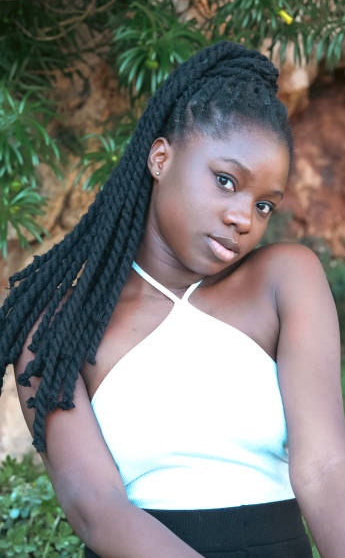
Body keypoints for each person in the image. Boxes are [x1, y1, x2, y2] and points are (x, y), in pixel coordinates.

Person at [0, 41, 344, 558]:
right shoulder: (59, 328)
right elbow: (97, 508)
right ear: (160, 158)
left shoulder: (284, 279)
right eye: (225, 181)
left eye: (264, 204)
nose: (243, 217)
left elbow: (325, 467)